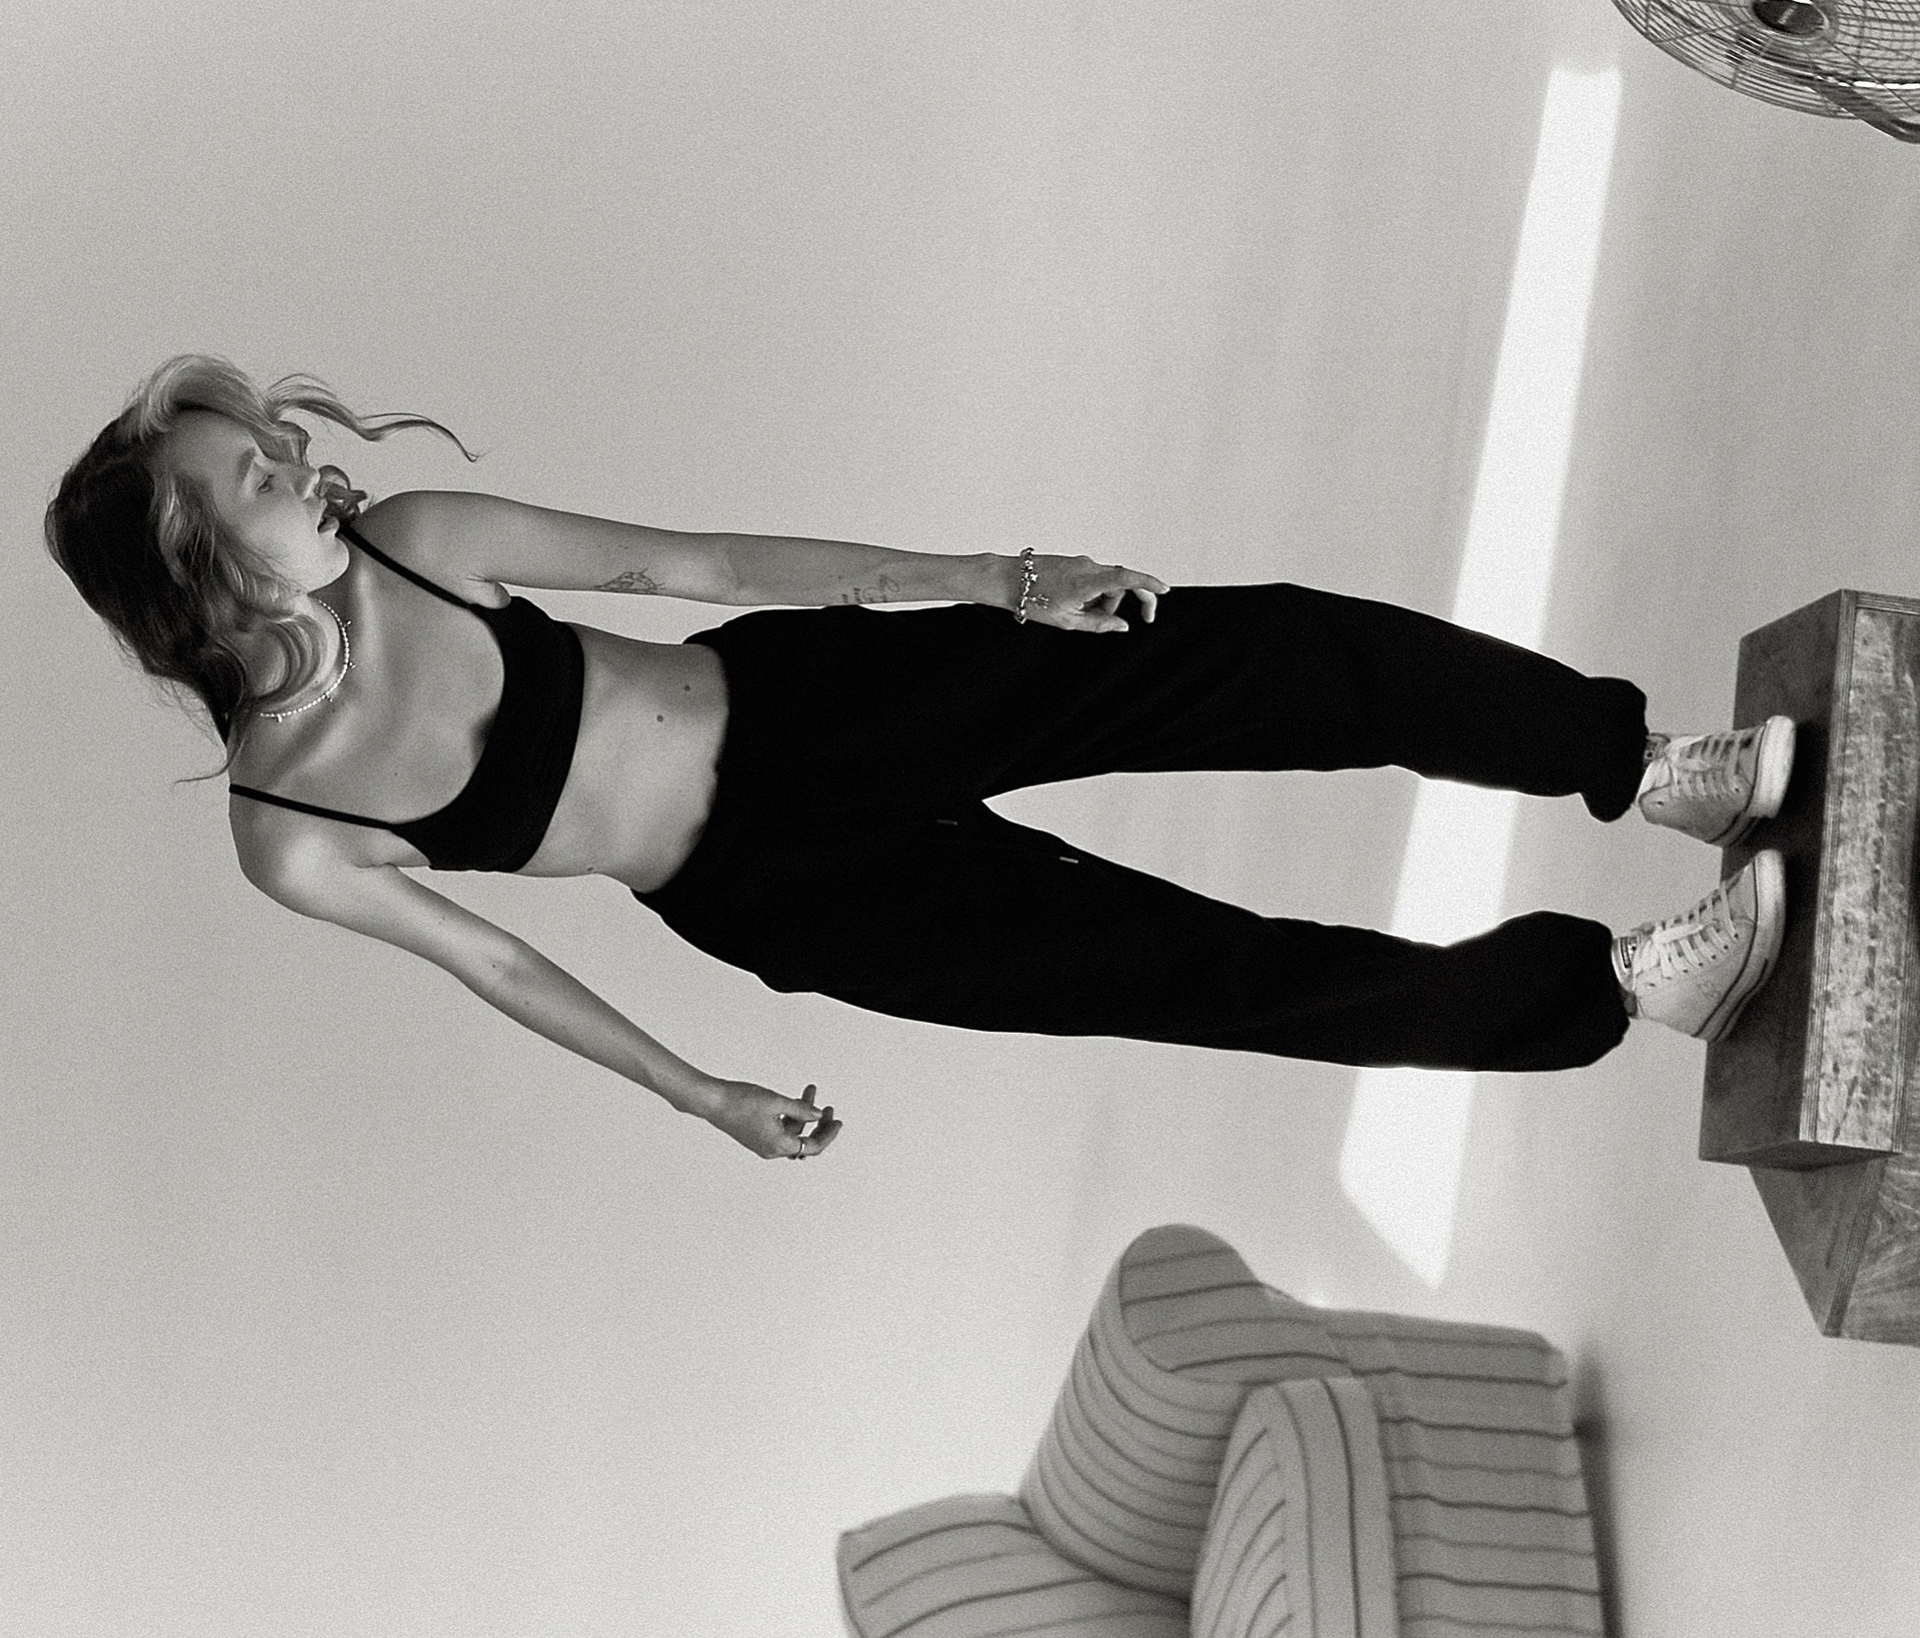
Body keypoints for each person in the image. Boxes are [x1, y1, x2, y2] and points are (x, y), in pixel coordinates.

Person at [47, 357, 1793, 1162]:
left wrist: (993, 577)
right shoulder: (294, 830)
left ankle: (1647, 768)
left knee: (1257, 656)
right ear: (188, 570)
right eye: (253, 472)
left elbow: (698, 566)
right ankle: (1625, 988)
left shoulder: (423, 540)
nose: (301, 462)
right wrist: (701, 1093)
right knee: (1206, 977)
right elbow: (498, 965)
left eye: (274, 439)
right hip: (789, 893)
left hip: (816, 703)